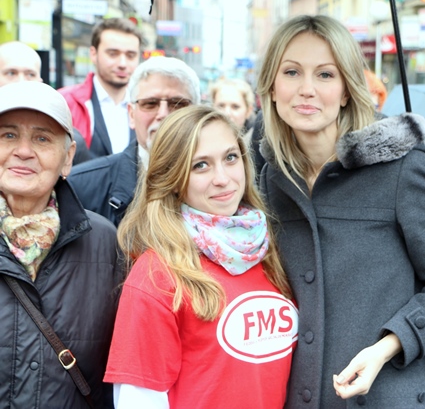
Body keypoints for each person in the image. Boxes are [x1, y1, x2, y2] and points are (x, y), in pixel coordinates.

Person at [256, 14, 425, 408]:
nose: (307, 89)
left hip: (389, 396)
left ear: (345, 91)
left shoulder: (401, 166)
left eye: (325, 74)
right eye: (291, 72)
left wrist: (386, 347)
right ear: (271, 87)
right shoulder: (270, 179)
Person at [103, 105, 297, 408]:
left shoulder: (269, 249)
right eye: (201, 165)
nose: (222, 178)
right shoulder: (156, 276)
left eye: (230, 158)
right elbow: (138, 400)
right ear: (173, 179)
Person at [0, 81, 121, 407]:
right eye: (8, 135)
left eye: (42, 138)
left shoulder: (104, 241)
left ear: (67, 158)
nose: (23, 151)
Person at [67, 56, 200, 227]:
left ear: (197, 114)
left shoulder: (223, 183)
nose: (163, 114)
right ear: (131, 114)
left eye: (177, 103)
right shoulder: (79, 187)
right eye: (150, 104)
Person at [59, 18, 143, 159]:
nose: (122, 63)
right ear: (93, 54)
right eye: (113, 54)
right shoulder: (65, 102)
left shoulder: (149, 105)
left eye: (131, 55)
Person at [0, 41, 91, 165]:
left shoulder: (67, 137)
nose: (22, 81)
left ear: (40, 81)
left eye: (30, 74)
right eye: (11, 73)